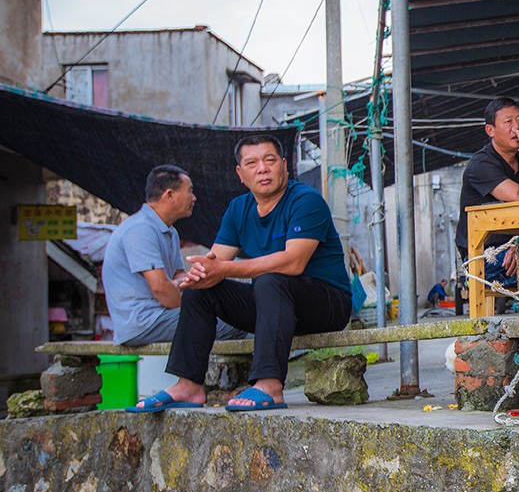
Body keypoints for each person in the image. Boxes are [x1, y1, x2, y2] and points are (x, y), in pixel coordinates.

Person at [127, 135, 352, 412]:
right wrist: (198, 274)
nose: (262, 169)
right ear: (240, 173)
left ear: (284, 166)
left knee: (271, 279)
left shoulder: (306, 200)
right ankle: (189, 385)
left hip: (326, 304)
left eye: (270, 160)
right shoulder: (238, 209)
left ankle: (269, 384)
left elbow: (293, 262)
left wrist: (224, 269)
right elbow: (215, 260)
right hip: (274, 306)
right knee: (202, 290)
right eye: (252, 163)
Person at [102, 165, 245, 346]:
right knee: (235, 323)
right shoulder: (141, 229)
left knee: (236, 317)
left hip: (161, 315)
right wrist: (195, 308)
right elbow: (161, 288)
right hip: (144, 322)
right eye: (190, 191)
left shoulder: (170, 231)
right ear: (169, 195)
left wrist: (178, 283)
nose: (194, 198)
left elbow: (179, 275)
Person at [455, 97, 519, 287]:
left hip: (517, 248)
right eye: (508, 121)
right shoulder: (481, 164)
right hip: (483, 256)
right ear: (490, 130)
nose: (517, 127)